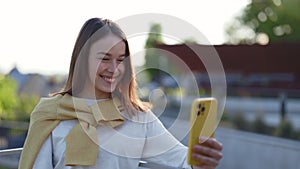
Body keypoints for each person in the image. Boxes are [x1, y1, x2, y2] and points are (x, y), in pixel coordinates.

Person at [18, 18, 223, 169]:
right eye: (105, 59)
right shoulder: (50, 114)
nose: (114, 68)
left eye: (121, 59)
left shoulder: (137, 116)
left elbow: (183, 162)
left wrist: (203, 159)